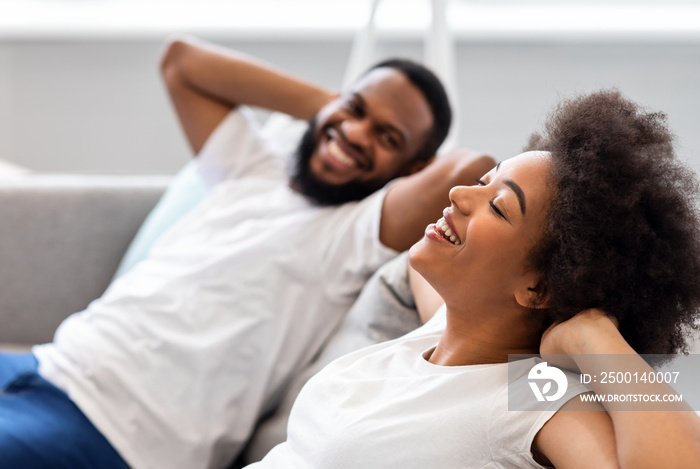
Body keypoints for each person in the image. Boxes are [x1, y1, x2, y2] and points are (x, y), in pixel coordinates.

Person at [0, 36, 495, 469]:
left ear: (412, 167)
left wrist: (348, 117)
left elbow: (470, 165)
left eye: (387, 137)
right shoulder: (255, 166)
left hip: (112, 433)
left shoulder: (352, 234)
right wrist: (335, 111)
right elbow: (181, 61)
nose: (357, 133)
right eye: (356, 109)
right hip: (48, 363)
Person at [244, 90, 700, 468]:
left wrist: (592, 335)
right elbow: (409, 264)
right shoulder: (438, 328)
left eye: (499, 206)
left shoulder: (533, 393)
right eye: (485, 180)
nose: (460, 194)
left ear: (539, 288)